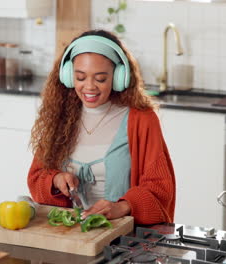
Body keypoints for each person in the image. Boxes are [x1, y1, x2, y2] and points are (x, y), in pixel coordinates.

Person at [27, 29, 176, 225]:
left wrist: (122, 206)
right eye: (80, 77)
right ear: (68, 76)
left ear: (118, 77)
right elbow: (37, 177)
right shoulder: (60, 116)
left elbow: (161, 189)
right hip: (69, 233)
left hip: (123, 238)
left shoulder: (142, 120)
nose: (89, 87)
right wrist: (55, 180)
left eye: (100, 79)